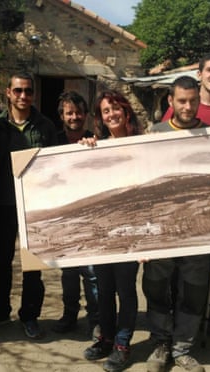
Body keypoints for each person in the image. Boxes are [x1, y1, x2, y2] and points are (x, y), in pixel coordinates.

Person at [162, 53, 210, 342]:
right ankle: (177, 327)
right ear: (200, 74)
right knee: (181, 272)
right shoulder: (179, 110)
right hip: (184, 200)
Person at [0, 72, 58, 339]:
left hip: (34, 207)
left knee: (33, 264)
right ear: (8, 93)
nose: (23, 96)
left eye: (28, 91)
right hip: (2, 205)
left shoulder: (45, 127)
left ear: (33, 94)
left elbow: (55, 167)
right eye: (18, 91)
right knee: (1, 262)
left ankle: (30, 315)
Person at [144, 76, 210, 372]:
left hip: (199, 230)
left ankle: (183, 348)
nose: (187, 106)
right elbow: (143, 182)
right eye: (181, 100)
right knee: (157, 287)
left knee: (194, 290)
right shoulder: (155, 134)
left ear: (199, 100)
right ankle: (161, 344)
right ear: (170, 101)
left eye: (192, 100)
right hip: (161, 230)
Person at [81, 90, 143, 372]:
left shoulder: (142, 146)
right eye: (106, 111)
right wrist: (85, 147)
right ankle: (106, 337)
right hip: (103, 232)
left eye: (115, 108)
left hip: (131, 231)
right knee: (104, 289)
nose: (112, 114)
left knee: (126, 289)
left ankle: (122, 343)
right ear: (101, 118)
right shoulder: (98, 146)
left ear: (126, 110)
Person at [52, 91, 99, 336]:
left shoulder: (95, 140)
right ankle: (70, 315)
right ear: (62, 116)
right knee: (68, 271)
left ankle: (96, 319)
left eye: (79, 112)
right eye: (69, 113)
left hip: (91, 216)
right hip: (64, 216)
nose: (75, 117)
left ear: (86, 115)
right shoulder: (53, 142)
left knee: (91, 273)